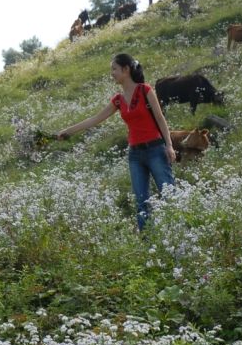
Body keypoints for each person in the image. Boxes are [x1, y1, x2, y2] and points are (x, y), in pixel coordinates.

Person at [56, 53, 176, 232]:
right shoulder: (118, 100)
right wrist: (68, 131)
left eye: (114, 69)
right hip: (135, 155)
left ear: (126, 70)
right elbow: (95, 119)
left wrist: (169, 145)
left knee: (169, 195)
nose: (112, 73)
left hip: (155, 149)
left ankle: (178, 234)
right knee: (141, 202)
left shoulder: (145, 90)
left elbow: (160, 118)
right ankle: (148, 241)